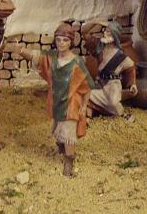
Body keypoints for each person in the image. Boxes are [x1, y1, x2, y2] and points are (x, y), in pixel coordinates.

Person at [12, 23, 94, 177]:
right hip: (56, 101)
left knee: (68, 132)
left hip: (71, 103)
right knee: (59, 126)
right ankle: (61, 147)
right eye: (59, 39)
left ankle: (69, 161)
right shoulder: (51, 58)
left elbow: (87, 86)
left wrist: (84, 106)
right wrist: (21, 50)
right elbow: (36, 56)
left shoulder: (77, 62)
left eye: (65, 40)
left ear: (71, 42)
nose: (61, 43)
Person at [81, 20, 137, 117]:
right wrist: (97, 21)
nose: (105, 33)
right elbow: (84, 32)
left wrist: (133, 84)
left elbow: (131, 68)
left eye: (109, 31)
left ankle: (119, 98)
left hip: (112, 86)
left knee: (114, 105)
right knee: (84, 94)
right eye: (105, 30)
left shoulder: (120, 56)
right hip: (99, 85)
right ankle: (94, 110)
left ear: (115, 35)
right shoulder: (99, 47)